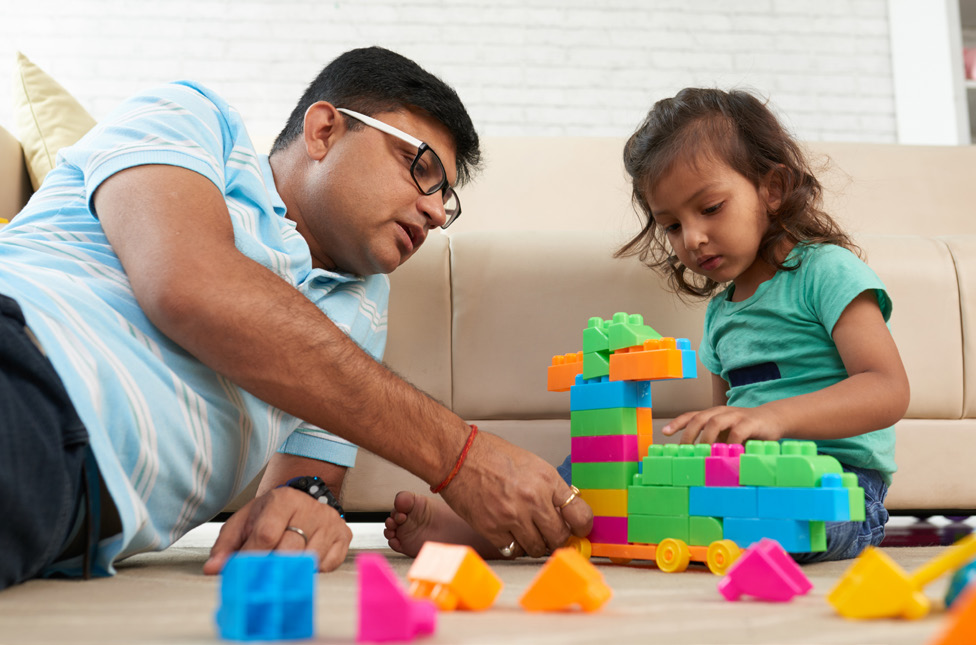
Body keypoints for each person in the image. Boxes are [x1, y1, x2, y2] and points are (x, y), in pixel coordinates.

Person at [0, 46, 591, 591]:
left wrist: (305, 509)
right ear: (323, 130)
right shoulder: (189, 117)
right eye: (420, 167)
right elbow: (190, 287)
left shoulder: (362, 304)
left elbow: (305, 487)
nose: (437, 212)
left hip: (76, 514)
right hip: (24, 358)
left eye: (448, 198)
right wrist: (462, 457)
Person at [384, 87, 909, 565]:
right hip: (746, 477)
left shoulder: (827, 272)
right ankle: (491, 529)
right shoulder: (721, 313)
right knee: (595, 470)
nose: (694, 238)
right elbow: (729, 419)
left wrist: (775, 417)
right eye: (673, 225)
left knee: (780, 529)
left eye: (710, 208)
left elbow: (887, 389)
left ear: (772, 189)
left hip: (841, 486)